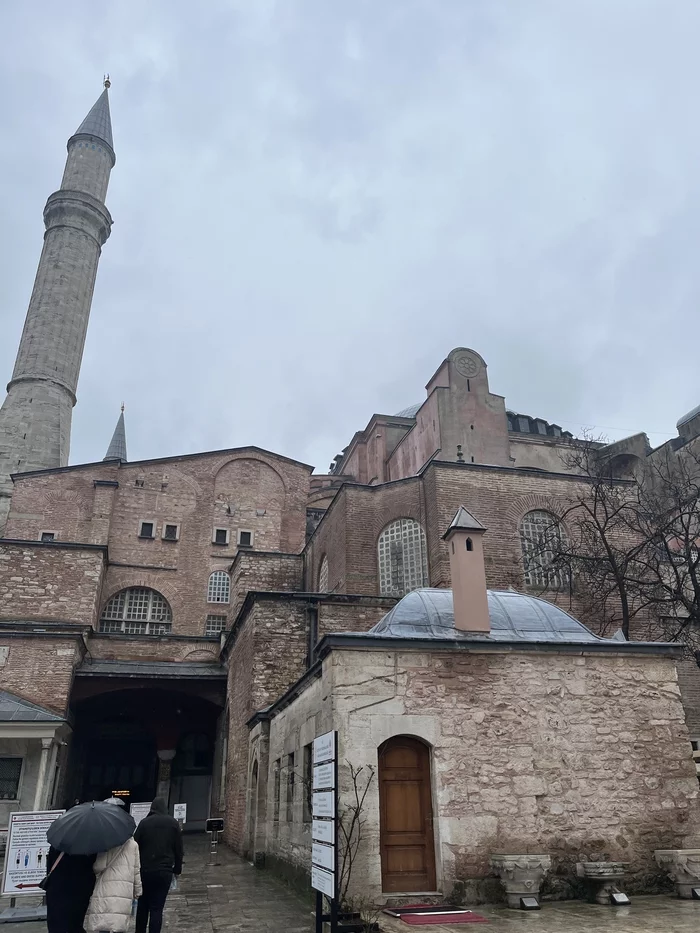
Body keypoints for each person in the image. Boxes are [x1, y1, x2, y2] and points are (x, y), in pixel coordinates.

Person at [133, 798, 183, 933]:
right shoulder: (173, 824)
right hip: (164, 871)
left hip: (145, 871)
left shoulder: (144, 824)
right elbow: (179, 849)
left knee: (142, 907)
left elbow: (135, 846)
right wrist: (177, 869)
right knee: (157, 908)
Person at [84, 836, 142, 933]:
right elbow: (136, 870)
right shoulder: (133, 845)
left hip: (106, 887)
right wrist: (138, 890)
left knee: (104, 921)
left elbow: (99, 867)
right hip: (124, 889)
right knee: (119, 921)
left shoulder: (106, 844)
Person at [45, 846, 96, 933]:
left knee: (56, 925)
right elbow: (92, 871)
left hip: (56, 889)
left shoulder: (59, 843)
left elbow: (50, 865)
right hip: (79, 891)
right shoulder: (89, 847)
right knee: (75, 924)